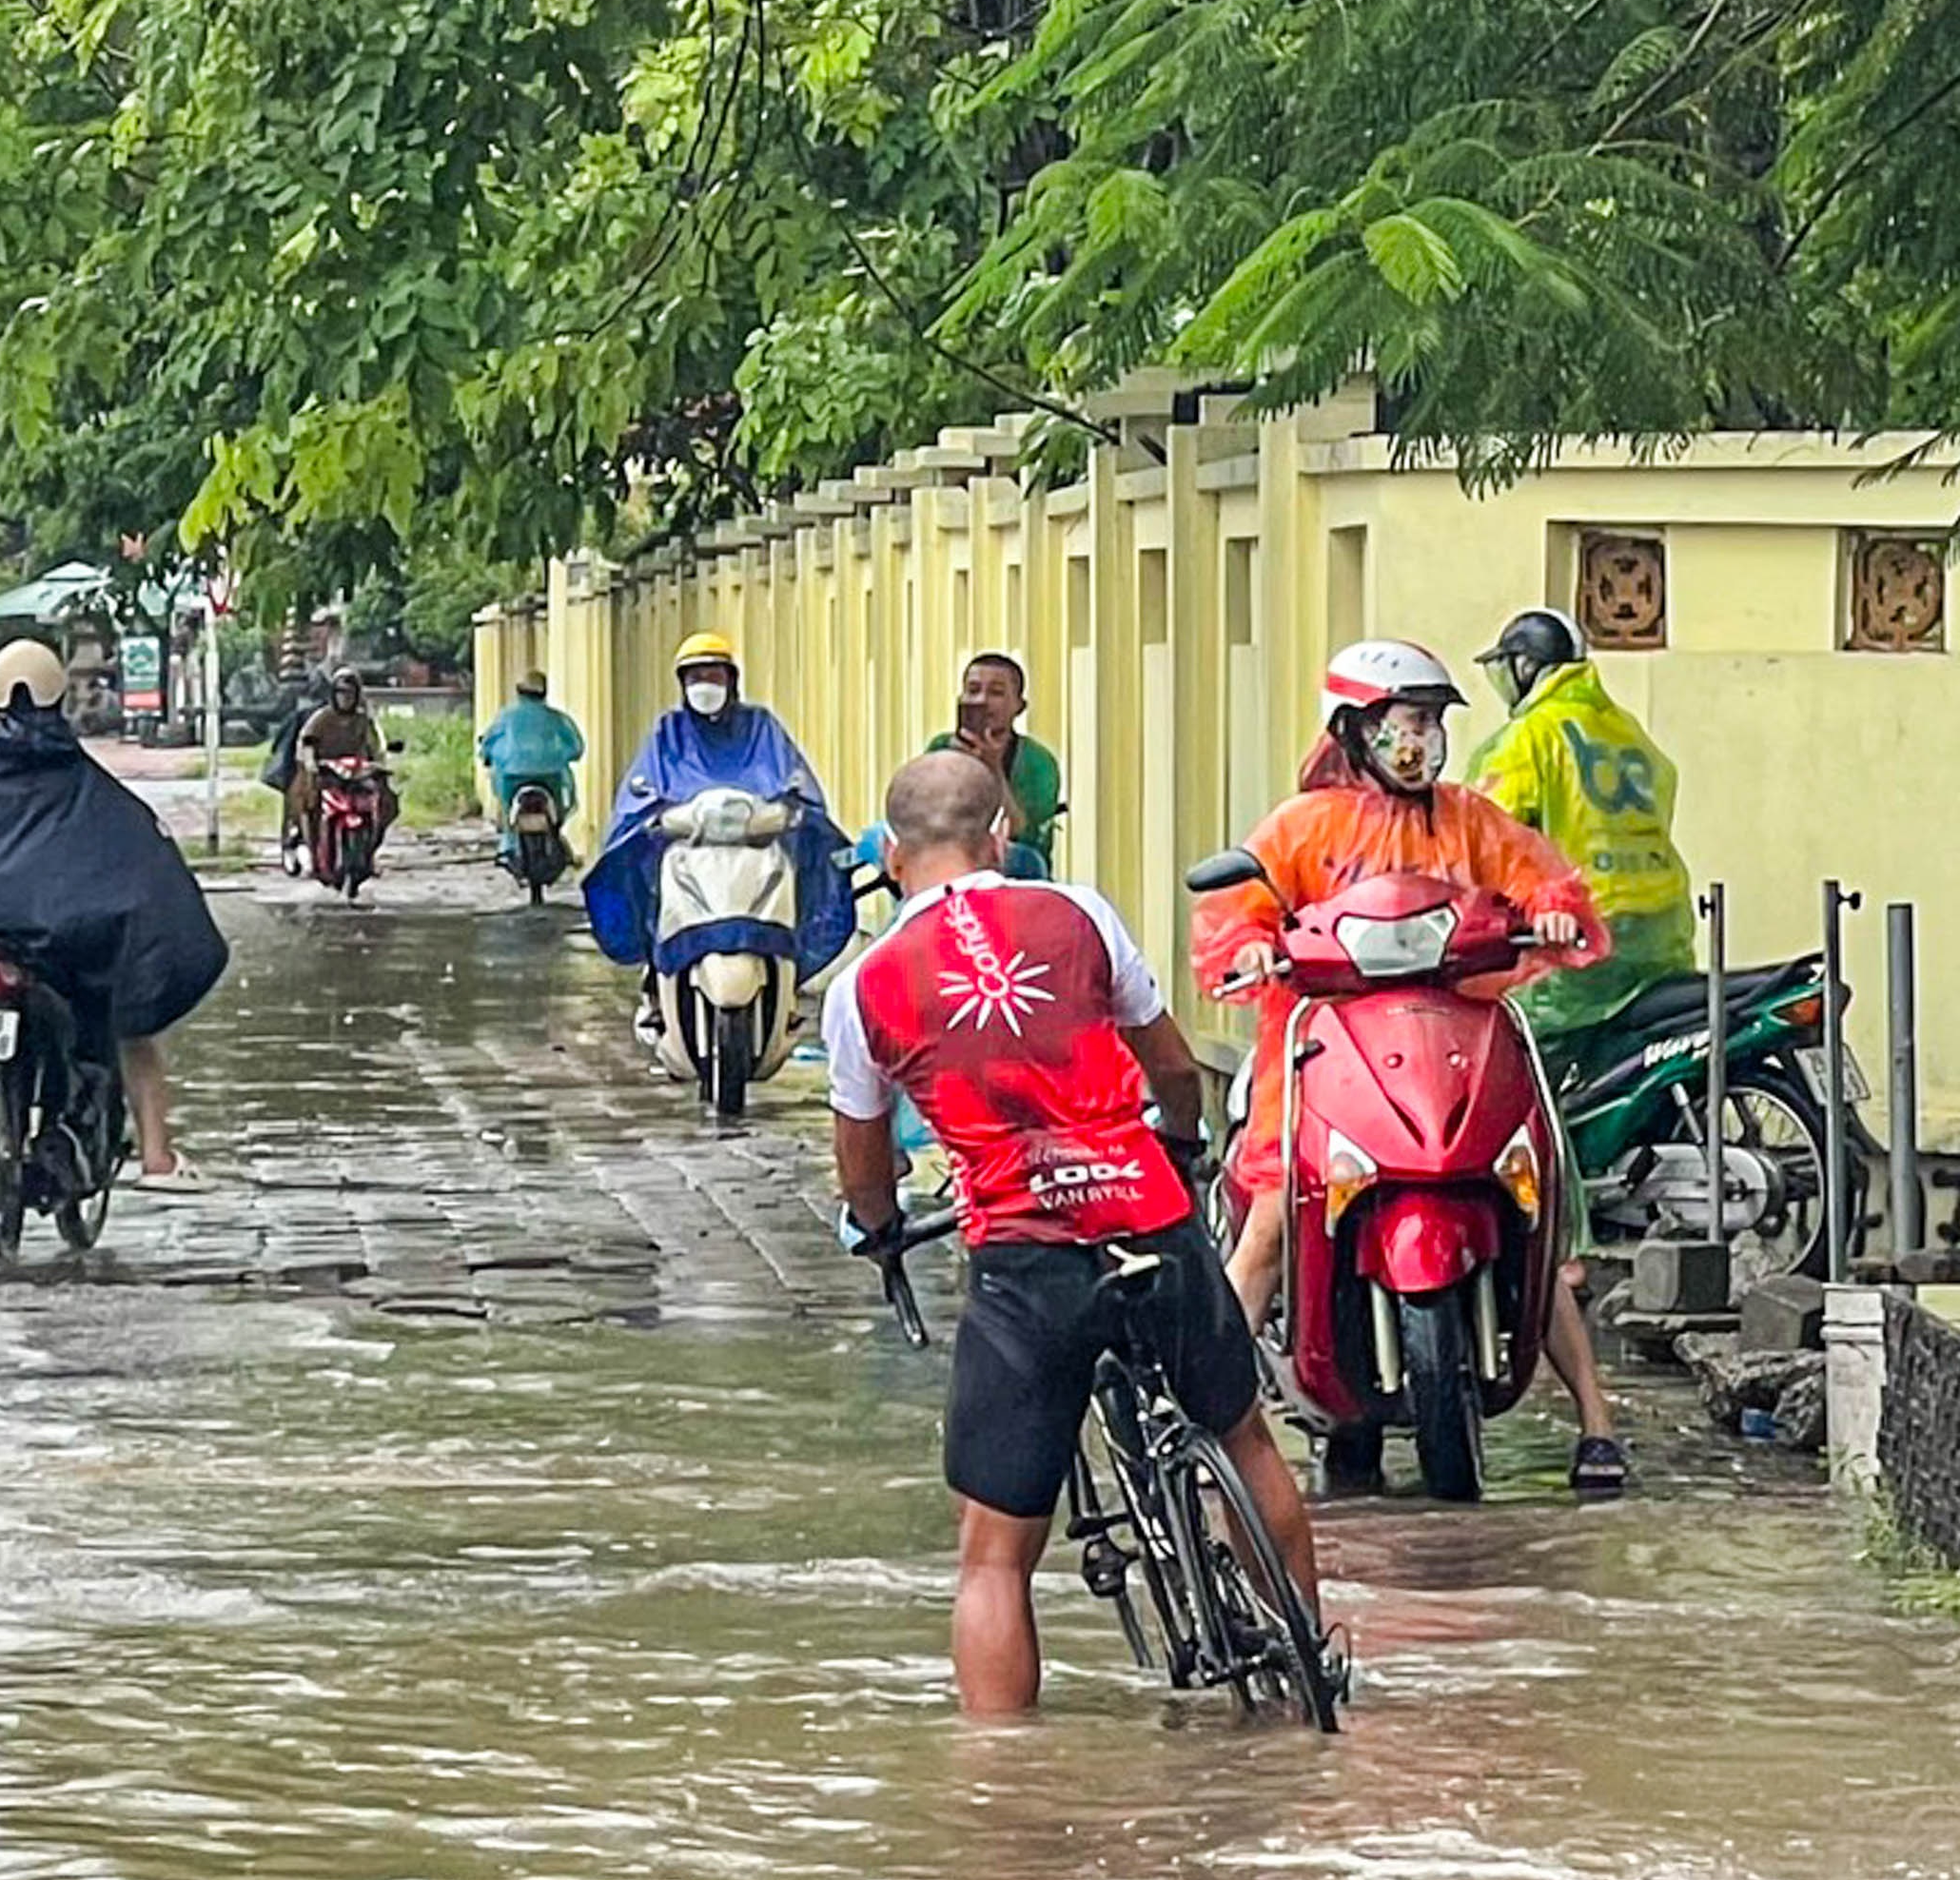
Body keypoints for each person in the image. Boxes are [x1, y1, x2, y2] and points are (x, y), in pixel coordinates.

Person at [830, 749, 1331, 1720]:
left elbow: (863, 1163)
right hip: (1147, 1216)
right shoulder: (1078, 913)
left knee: (993, 1549)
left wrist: (881, 1229)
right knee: (1243, 1434)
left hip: (1026, 1261)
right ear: (1003, 837)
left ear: (891, 855)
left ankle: (1001, 1782)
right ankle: (1312, 1658)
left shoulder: (866, 987)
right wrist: (1179, 1143)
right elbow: (1174, 1066)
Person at [1190, 636, 1636, 1492]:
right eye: (1402, 723)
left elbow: (1542, 879)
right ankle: (1206, 1415)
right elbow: (1238, 912)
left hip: (1454, 1039)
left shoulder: (1470, 818)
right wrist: (1250, 948)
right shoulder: (1302, 826)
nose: (1417, 742)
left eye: (1430, 724)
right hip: (1329, 1045)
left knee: (1532, 1213)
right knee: (1275, 1220)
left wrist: (1547, 913)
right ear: (1355, 731)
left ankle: (1597, 1422)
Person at [0, 641, 227, 1199]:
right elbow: (134, 850)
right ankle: (157, 1157)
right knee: (131, 1025)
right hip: (55, 951)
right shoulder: (79, 781)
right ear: (60, 696)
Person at [1466, 605, 1692, 1046]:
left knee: (1520, 1049)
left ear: (1526, 666)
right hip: (1663, 930)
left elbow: (1484, 836)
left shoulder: (1528, 737)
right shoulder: (1627, 730)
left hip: (1579, 933)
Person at [583, 632, 855, 992]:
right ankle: (657, 969)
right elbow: (640, 795)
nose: (705, 686)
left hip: (756, 851)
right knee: (643, 876)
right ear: (682, 684)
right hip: (687, 851)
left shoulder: (760, 727)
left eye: (714, 676)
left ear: (732, 680)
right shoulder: (669, 732)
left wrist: (788, 813)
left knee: (804, 870)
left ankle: (786, 972)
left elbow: (795, 783)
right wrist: (659, 820)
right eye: (695, 678)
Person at [944, 652, 1067, 883]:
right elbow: (924, 816)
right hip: (949, 853)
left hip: (1014, 864)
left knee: (1022, 858)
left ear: (1019, 706)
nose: (982, 700)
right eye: (973, 690)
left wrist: (993, 766)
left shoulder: (1038, 762)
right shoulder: (941, 748)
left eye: (996, 693)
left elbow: (1024, 834)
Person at [277, 669, 383, 874]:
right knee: (308, 801)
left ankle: (370, 851)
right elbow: (306, 742)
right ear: (333, 694)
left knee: (384, 801)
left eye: (350, 693)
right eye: (341, 692)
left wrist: (378, 763)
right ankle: (310, 843)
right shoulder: (322, 717)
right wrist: (311, 763)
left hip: (356, 773)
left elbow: (376, 746)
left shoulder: (363, 721)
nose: (345, 698)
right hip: (325, 773)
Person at [480, 671, 584, 857]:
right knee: (561, 808)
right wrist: (562, 757)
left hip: (512, 776)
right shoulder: (556, 718)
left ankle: (510, 841)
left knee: (505, 805)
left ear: (519, 692)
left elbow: (488, 744)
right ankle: (555, 833)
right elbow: (576, 747)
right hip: (550, 775)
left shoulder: (506, 718)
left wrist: (487, 757)